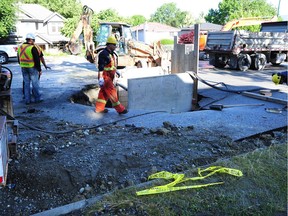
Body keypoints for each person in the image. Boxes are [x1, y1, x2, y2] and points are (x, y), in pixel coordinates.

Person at [95, 35, 128, 114]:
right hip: (105, 77)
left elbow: (111, 65)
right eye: (114, 45)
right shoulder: (104, 54)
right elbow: (101, 67)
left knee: (103, 93)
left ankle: (99, 109)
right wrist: (100, 78)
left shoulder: (111, 53)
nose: (115, 46)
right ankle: (120, 109)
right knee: (112, 92)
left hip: (110, 76)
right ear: (109, 44)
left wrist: (116, 71)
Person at [18, 33, 43, 104]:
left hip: (23, 67)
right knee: (35, 84)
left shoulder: (20, 47)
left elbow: (18, 58)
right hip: (32, 68)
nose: (34, 42)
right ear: (31, 40)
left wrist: (22, 65)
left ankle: (27, 100)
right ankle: (37, 98)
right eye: (33, 40)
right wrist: (39, 70)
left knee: (26, 84)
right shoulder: (32, 47)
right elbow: (37, 60)